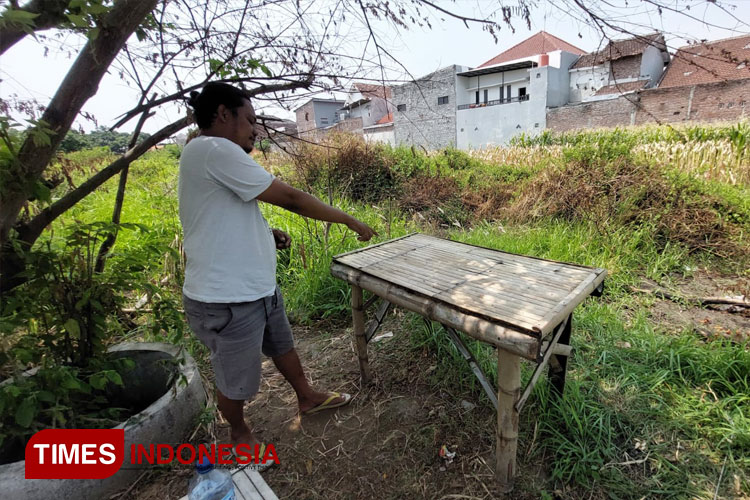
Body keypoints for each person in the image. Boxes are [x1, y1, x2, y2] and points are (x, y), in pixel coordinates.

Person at [179, 82, 376, 451]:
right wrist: (349, 219)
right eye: (250, 119)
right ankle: (239, 436)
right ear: (223, 114)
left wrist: (264, 233)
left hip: (256, 287)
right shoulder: (215, 149)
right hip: (227, 298)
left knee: (282, 345)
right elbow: (290, 197)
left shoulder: (203, 152)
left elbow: (217, 215)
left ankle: (307, 397)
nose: (255, 129)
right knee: (234, 379)